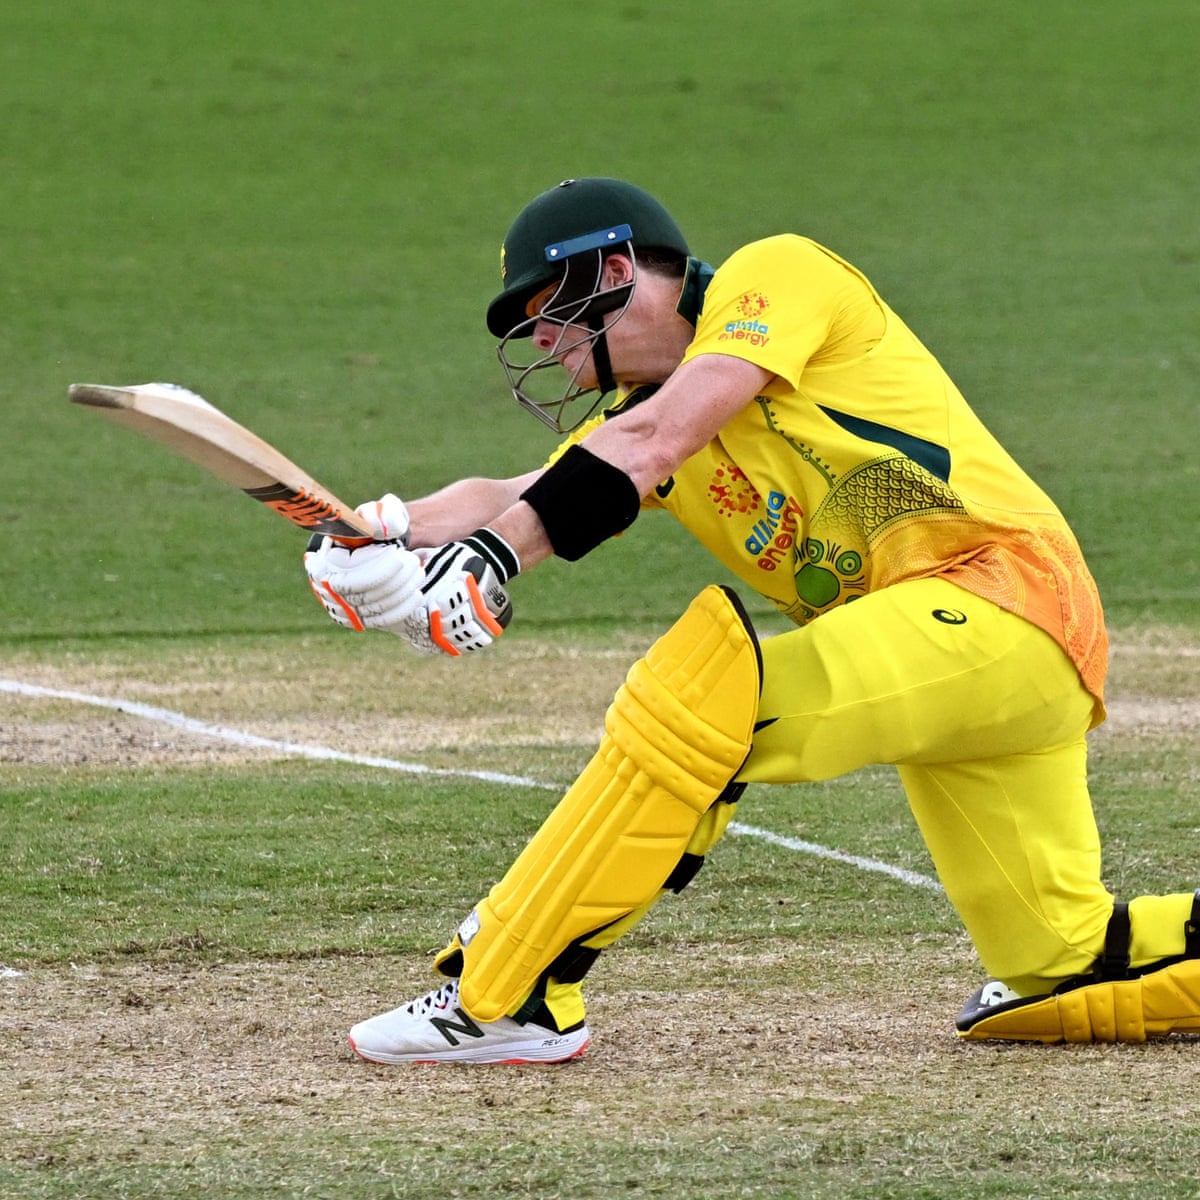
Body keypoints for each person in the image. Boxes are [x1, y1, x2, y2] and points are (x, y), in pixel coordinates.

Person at [304, 177, 1200, 1064]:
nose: (538, 338)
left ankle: (506, 994)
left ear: (615, 268)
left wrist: (497, 558)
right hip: (959, 659)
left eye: (544, 307)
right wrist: (381, 531)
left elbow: (650, 444)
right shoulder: (640, 423)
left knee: (710, 701)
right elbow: (524, 491)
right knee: (1063, 962)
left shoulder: (775, 277)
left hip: (1001, 599)